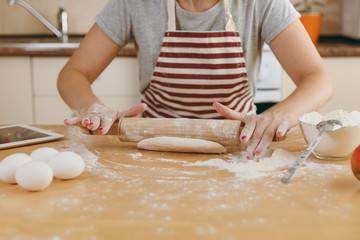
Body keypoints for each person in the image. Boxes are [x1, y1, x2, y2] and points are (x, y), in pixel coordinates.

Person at [57, 0, 333, 160]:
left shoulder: (260, 2)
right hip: (153, 149)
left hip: (240, 149)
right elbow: (73, 74)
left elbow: (318, 79)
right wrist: (91, 107)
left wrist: (275, 117)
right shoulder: (135, 3)